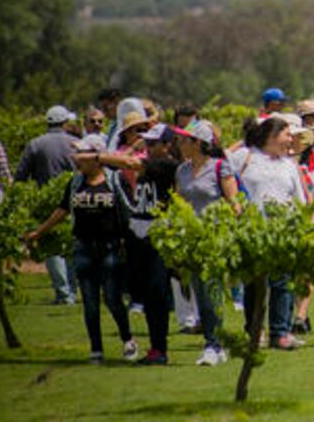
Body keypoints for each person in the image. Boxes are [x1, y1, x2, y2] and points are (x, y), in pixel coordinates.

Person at [24, 134, 138, 365]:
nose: (77, 158)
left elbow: (129, 212)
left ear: (97, 157)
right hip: (83, 248)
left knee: (113, 299)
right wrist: (39, 232)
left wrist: (129, 242)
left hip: (110, 247)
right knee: (89, 302)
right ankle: (96, 349)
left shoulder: (114, 181)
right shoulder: (76, 182)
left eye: (82, 154)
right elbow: (63, 209)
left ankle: (127, 339)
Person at [97, 123, 179, 365]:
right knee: (145, 295)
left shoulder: (166, 165)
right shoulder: (150, 164)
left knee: (157, 294)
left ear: (167, 146)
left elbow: (128, 162)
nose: (148, 147)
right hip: (140, 235)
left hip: (157, 235)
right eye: (147, 143)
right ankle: (155, 347)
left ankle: (160, 349)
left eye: (154, 143)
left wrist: (97, 157)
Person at [173, 120, 238, 366]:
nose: (180, 144)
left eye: (184, 140)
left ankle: (213, 344)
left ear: (198, 143)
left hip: (215, 238)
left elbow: (234, 203)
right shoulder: (182, 170)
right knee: (200, 294)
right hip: (191, 240)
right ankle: (215, 343)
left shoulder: (220, 167)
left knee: (212, 291)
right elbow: (179, 202)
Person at [241, 116, 308, 350]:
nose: (291, 139)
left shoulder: (289, 165)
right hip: (253, 231)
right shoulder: (247, 158)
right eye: (287, 134)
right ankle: (255, 330)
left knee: (282, 284)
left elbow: (299, 199)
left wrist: (302, 227)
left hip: (284, 232)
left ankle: (280, 333)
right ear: (272, 136)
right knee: (254, 285)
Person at [15, 105, 80, 305]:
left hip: (45, 201)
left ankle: (63, 293)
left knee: (51, 246)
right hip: (73, 198)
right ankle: (72, 289)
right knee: (71, 243)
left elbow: (21, 176)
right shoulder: (75, 144)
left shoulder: (35, 144)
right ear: (65, 122)